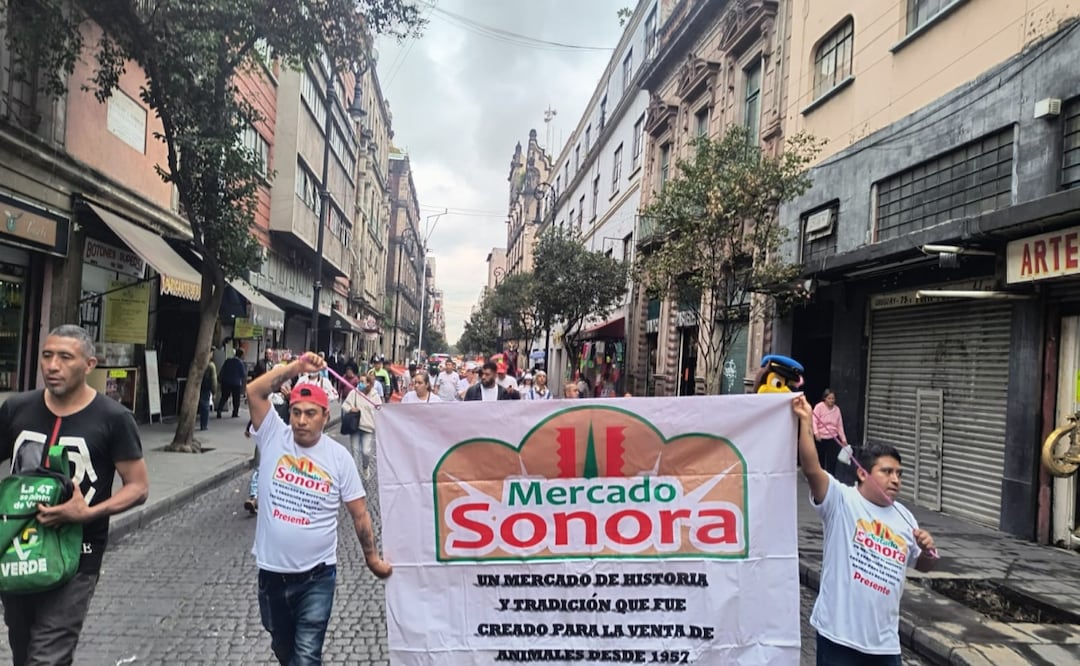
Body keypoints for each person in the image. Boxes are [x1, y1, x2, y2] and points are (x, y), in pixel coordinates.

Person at [0, 324, 149, 665]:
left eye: (65, 357)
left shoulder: (114, 418)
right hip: (18, 548)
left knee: (47, 656)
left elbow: (138, 487)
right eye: (47, 355)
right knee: (23, 650)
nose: (52, 365)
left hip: (78, 553)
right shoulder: (17, 408)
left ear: (89, 364)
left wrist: (88, 513)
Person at [246, 351, 391, 664]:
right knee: (283, 650)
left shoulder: (338, 459)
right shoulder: (274, 435)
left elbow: (360, 513)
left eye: (310, 413)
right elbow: (254, 391)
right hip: (271, 574)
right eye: (296, 412)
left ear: (326, 416)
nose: (301, 420)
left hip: (317, 578)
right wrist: (296, 368)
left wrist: (372, 558)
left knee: (307, 655)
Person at [793, 395, 937, 665]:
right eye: (887, 472)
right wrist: (805, 421)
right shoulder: (841, 500)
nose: (895, 480)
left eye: (899, 473)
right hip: (838, 637)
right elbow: (812, 470)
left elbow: (924, 565)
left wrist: (928, 550)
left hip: (884, 644)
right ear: (862, 473)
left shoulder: (905, 518)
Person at [342, 370, 381, 480]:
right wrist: (351, 408)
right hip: (355, 427)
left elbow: (380, 410)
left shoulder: (374, 395)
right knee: (355, 452)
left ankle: (365, 466)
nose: (360, 383)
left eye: (363, 382)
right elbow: (345, 405)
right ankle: (354, 477)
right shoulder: (354, 392)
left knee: (366, 452)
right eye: (359, 381)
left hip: (368, 428)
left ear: (369, 383)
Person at [813, 388, 848, 477]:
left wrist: (843, 439)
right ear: (824, 398)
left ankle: (831, 479)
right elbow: (814, 421)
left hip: (833, 438)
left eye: (833, 398)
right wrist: (816, 433)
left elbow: (840, 425)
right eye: (829, 398)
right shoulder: (819, 407)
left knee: (832, 461)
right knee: (820, 460)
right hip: (821, 438)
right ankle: (819, 478)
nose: (831, 400)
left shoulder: (837, 410)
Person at [218, 348, 247, 419]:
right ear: (241, 355)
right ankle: (235, 413)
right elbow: (243, 374)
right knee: (236, 399)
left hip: (226, 382)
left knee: (224, 397)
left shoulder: (228, 361)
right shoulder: (240, 363)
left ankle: (219, 410)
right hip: (236, 383)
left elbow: (222, 370)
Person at [198, 350, 218, 431]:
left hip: (198, 386)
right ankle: (204, 425)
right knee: (205, 406)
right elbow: (213, 379)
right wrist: (214, 391)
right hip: (206, 387)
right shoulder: (211, 365)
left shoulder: (198, 363)